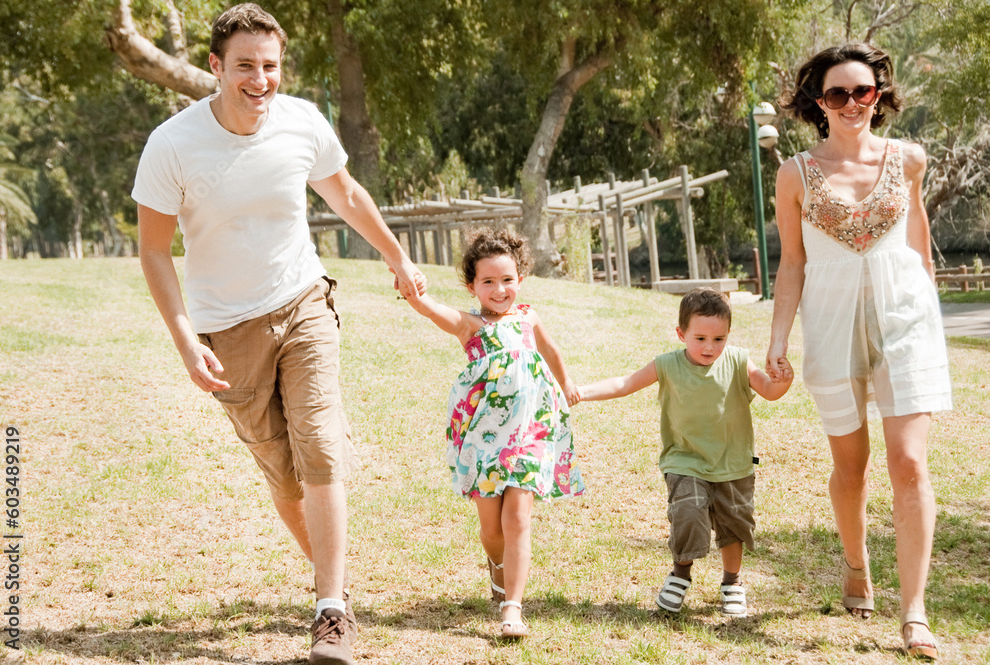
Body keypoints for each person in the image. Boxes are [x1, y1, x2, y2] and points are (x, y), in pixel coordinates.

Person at [131, 4, 425, 663]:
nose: (260, 80)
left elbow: (345, 192)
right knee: (285, 476)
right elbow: (154, 251)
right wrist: (185, 341)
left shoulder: (300, 123)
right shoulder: (173, 145)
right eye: (245, 67)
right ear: (215, 67)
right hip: (226, 330)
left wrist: (397, 257)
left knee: (319, 443)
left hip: (302, 301)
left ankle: (329, 611)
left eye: (270, 66)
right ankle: (340, 587)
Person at [766, 42, 951, 660]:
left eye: (863, 91)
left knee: (909, 464)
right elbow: (791, 263)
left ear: (879, 96)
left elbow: (918, 245)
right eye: (837, 93)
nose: (852, 102)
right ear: (819, 102)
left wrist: (932, 319)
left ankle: (915, 612)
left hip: (905, 323)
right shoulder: (795, 173)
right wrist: (777, 340)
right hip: (830, 326)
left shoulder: (910, 160)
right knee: (853, 466)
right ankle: (855, 565)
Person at [401, 227, 585, 639]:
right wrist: (412, 292)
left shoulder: (528, 317)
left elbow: (551, 351)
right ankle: (497, 565)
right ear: (472, 287)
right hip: (484, 437)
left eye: (507, 279)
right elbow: (432, 311)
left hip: (529, 430)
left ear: (520, 278)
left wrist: (566, 382)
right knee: (492, 528)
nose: (500, 289)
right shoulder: (470, 325)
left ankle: (512, 609)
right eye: (488, 281)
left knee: (518, 517)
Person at [578, 288, 792, 618]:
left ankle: (732, 582)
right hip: (685, 460)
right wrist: (580, 392)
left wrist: (783, 381)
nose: (710, 347)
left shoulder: (736, 360)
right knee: (687, 513)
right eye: (700, 338)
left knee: (733, 524)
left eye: (719, 339)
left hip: (733, 463)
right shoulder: (667, 365)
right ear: (681, 333)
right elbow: (625, 384)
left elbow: (769, 390)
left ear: (728, 335)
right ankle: (681, 573)